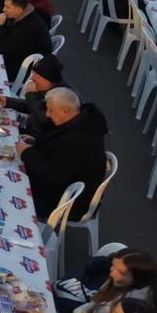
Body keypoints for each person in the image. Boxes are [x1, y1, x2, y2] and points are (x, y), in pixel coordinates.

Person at [18, 87, 109, 220]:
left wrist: (27, 152)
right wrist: (36, 142)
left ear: (65, 111)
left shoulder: (80, 139)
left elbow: (55, 173)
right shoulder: (79, 121)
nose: (47, 114)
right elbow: (57, 148)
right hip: (60, 185)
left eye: (51, 110)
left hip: (67, 202)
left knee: (11, 190)